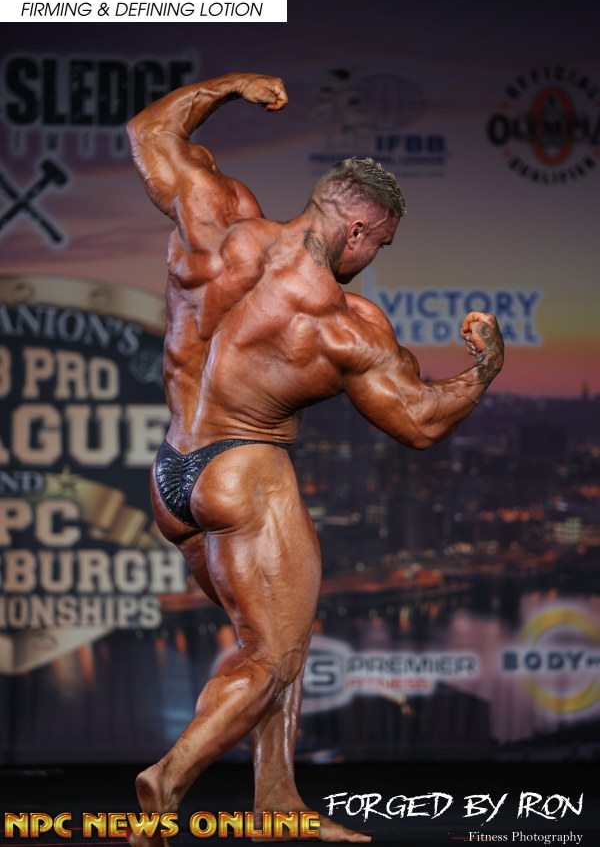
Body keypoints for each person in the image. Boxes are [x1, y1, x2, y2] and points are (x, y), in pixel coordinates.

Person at [127, 73, 504, 843]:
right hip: (243, 472)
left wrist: (230, 87)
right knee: (272, 655)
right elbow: (420, 422)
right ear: (359, 229)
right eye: (379, 245)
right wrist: (485, 369)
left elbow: (148, 134)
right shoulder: (342, 321)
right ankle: (168, 780)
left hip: (172, 474)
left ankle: (278, 803)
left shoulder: (215, 219)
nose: (372, 259)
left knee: (274, 640)